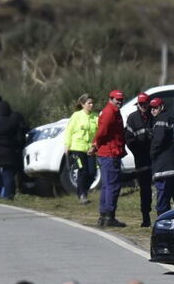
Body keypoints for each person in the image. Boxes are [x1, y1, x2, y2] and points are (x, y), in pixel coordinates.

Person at [91, 90, 127, 228]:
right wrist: (95, 144)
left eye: (121, 99)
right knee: (113, 186)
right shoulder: (109, 112)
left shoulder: (114, 111)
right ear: (110, 99)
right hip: (109, 154)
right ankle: (109, 217)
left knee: (107, 186)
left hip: (109, 153)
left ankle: (104, 216)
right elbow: (102, 131)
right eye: (117, 99)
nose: (119, 101)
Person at [149, 97, 174, 215]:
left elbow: (159, 140)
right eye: (151, 108)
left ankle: (163, 224)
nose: (153, 110)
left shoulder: (161, 120)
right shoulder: (172, 119)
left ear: (162, 107)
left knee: (163, 199)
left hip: (164, 167)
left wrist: (151, 154)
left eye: (155, 108)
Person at [125, 92, 154, 227]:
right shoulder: (132, 118)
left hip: (155, 158)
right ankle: (145, 217)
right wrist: (139, 152)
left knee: (161, 188)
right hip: (141, 159)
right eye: (140, 104)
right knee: (145, 189)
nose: (143, 106)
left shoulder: (153, 116)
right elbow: (129, 140)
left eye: (145, 104)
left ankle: (162, 217)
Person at [64, 94, 99, 205]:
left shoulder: (95, 116)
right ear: (83, 104)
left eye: (92, 103)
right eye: (89, 103)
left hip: (91, 149)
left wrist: (95, 145)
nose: (91, 105)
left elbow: (99, 133)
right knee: (83, 171)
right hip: (78, 148)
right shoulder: (76, 116)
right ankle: (82, 194)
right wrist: (67, 145)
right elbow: (69, 131)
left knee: (92, 173)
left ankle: (82, 190)